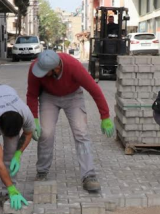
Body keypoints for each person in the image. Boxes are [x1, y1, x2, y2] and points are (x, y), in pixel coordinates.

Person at [26, 50, 114, 192]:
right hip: (49, 97)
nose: (40, 73)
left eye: (44, 71)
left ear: (56, 68)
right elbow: (31, 94)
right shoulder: (36, 67)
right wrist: (34, 119)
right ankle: (42, 171)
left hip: (73, 97)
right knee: (46, 133)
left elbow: (95, 90)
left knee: (81, 133)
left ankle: (89, 175)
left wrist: (105, 117)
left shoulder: (73, 66)